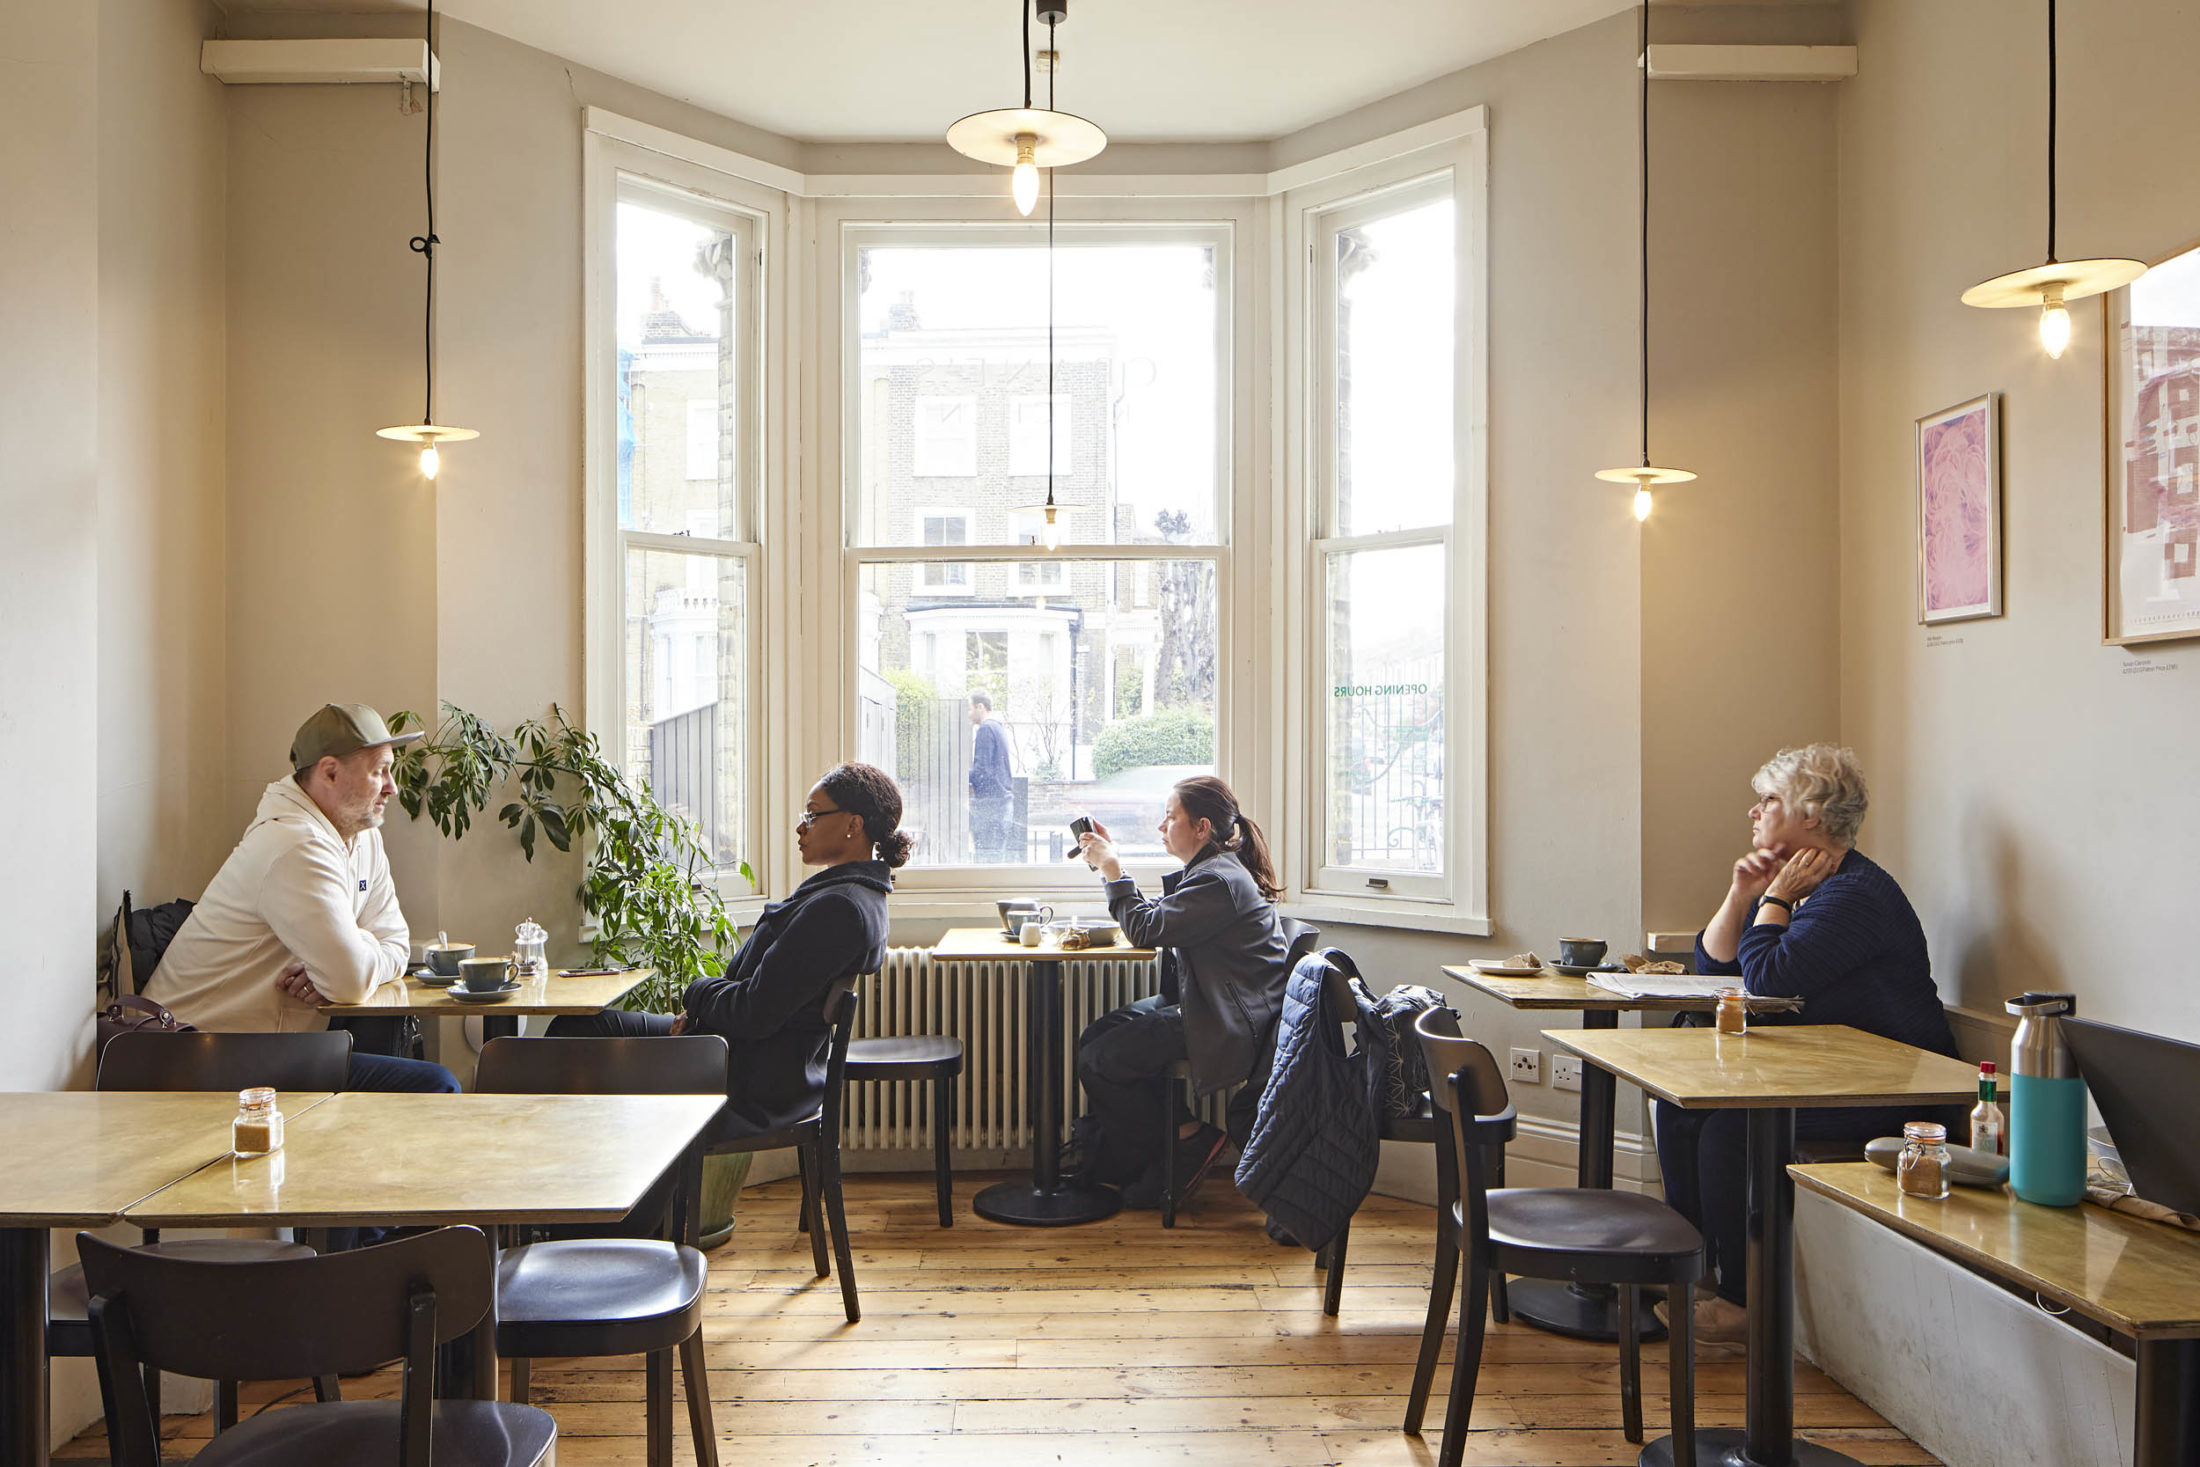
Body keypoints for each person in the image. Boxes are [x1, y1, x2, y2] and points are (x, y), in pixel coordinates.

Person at [1654, 743, 1958, 1344]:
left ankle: (1744, 1303)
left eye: (1769, 799)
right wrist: (1745, 892)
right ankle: (1692, 1271)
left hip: (1893, 1086)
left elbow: (1767, 978)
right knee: (1680, 1107)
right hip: (1834, 1069)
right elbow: (1716, 970)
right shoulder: (1808, 887)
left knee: (1728, 1129)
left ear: (1812, 814)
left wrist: (1773, 901)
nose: (1753, 811)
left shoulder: (1854, 894)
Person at [549, 763, 904, 1135]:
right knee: (579, 1026)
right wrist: (703, 1014)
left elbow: (754, 1013)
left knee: (571, 1038)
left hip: (744, 1080)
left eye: (812, 815)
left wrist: (697, 993)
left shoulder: (839, 907)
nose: (801, 827)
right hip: (742, 1056)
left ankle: (589, 1181)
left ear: (853, 824)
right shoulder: (853, 894)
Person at [143, 703, 460, 1094]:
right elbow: (349, 979)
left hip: (268, 1048)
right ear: (330, 772)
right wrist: (344, 961)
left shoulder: (364, 839)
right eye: (379, 771)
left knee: (403, 1062)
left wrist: (338, 961)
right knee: (436, 1086)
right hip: (200, 1054)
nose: (392, 786)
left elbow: (395, 941)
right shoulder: (293, 844)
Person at [1069, 775, 1289, 1207]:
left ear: (1202, 827)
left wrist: (1113, 869)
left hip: (1226, 1016)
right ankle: (1148, 1151)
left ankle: (1190, 1141)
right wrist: (1113, 868)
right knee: (1095, 1039)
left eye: (1171, 817)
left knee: (1100, 1061)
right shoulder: (1209, 872)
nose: (1162, 826)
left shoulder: (1218, 880)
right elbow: (1160, 919)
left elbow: (1145, 929)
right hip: (1209, 1002)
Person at [967, 692, 1014, 863]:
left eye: (969, 709)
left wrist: (962, 778)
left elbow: (982, 770)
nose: (969, 714)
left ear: (981, 707)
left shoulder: (985, 729)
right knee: (996, 860)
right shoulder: (998, 728)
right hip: (1003, 803)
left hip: (990, 805)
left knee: (985, 859)